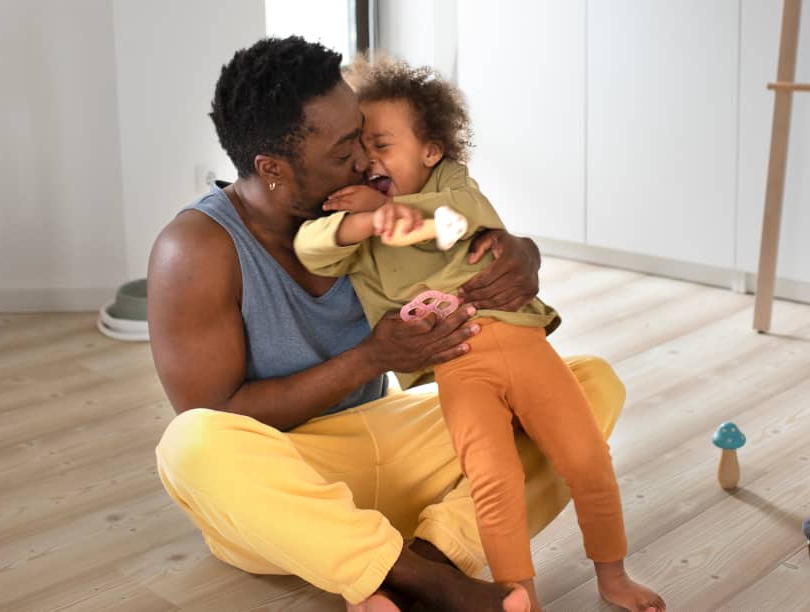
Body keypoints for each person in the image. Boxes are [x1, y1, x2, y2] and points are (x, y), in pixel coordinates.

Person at [149, 36, 629, 612]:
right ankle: (428, 582)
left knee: (591, 381)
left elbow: (458, 235)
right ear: (272, 169)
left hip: (390, 442)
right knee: (191, 443)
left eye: (362, 132)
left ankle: (427, 556)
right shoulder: (196, 248)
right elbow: (221, 414)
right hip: (288, 495)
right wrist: (372, 358)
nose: (364, 158)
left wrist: (522, 251)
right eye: (344, 147)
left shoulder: (375, 205)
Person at [293, 56, 666, 612]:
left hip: (520, 341)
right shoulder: (359, 217)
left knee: (587, 459)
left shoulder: (455, 187)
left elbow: (457, 220)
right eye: (361, 149)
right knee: (493, 480)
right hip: (456, 365)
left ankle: (613, 578)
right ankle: (521, 597)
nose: (370, 160)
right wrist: (369, 219)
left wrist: (394, 212)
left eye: (383, 144)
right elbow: (311, 247)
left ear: (431, 151)